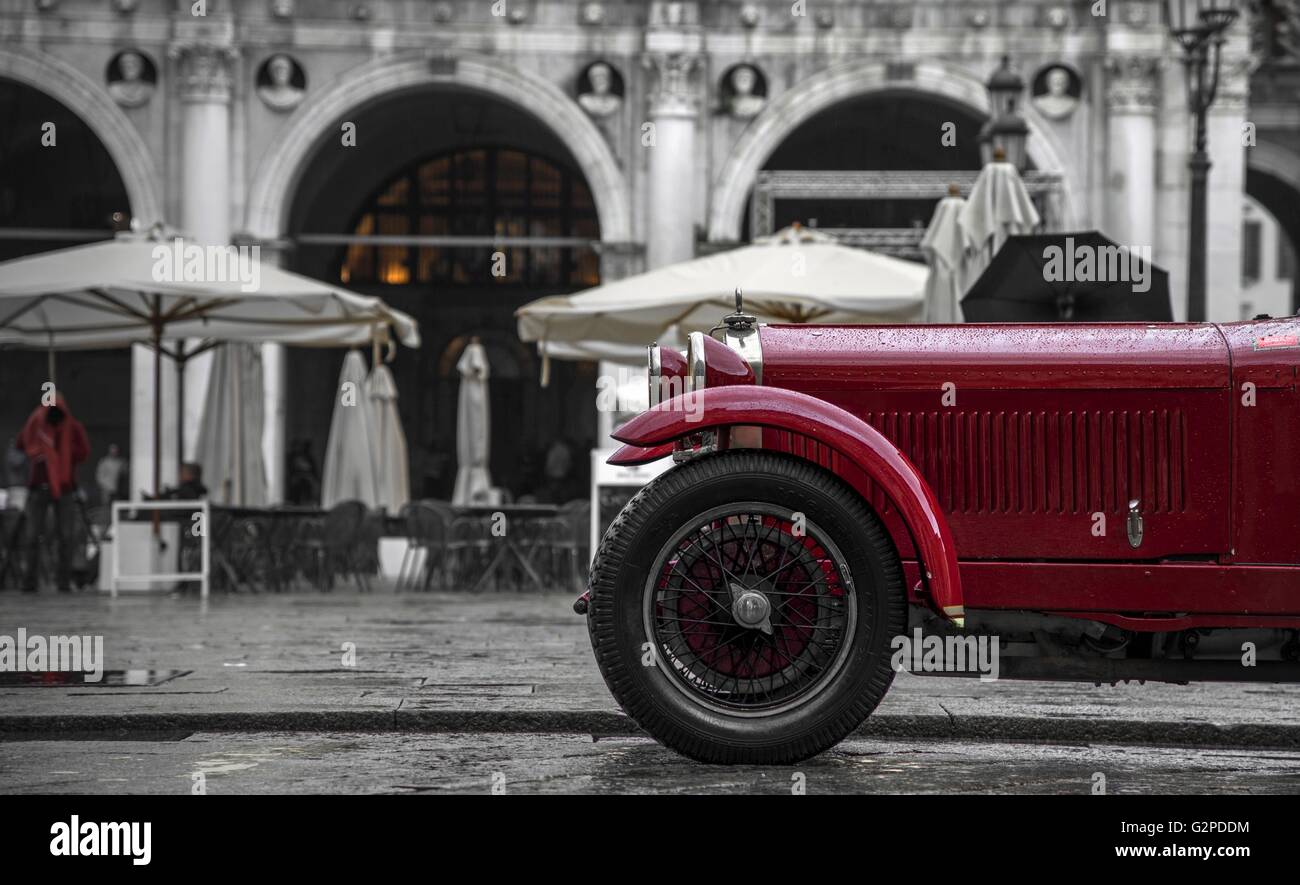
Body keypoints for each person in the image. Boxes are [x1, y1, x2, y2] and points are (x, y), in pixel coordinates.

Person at [16, 397, 90, 592]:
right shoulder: (37, 426)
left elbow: (83, 452)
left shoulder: (72, 428)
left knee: (66, 536)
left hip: (64, 487)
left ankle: (63, 582)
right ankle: (30, 581)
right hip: (39, 487)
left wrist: (64, 455)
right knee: (33, 536)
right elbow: (21, 443)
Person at [95, 443, 125, 507]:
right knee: (106, 506)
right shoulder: (104, 462)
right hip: (106, 490)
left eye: (116, 451)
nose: (114, 452)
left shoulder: (121, 462)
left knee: (117, 506)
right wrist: (105, 486)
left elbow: (125, 474)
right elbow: (99, 476)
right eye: (113, 451)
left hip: (118, 490)